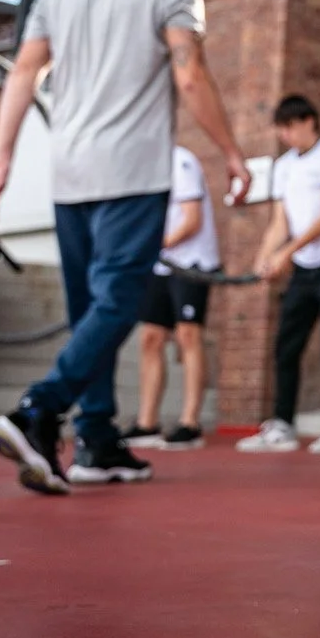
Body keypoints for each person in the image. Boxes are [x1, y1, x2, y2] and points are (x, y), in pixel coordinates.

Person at [0, 0, 248, 493]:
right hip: (132, 171)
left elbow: (24, 72)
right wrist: (231, 151)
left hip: (69, 174)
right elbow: (190, 75)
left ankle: (97, 441)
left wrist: (2, 153)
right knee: (118, 304)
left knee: (89, 312)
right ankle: (39, 412)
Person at [236, 94, 320, 455]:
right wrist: (266, 256)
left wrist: (286, 253)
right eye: (281, 129)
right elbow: (281, 221)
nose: (287, 135)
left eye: (291, 126)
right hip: (305, 267)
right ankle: (282, 424)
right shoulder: (284, 166)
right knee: (285, 345)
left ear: (310, 121)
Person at [123, 144, 220, 451]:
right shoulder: (137, 165)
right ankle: (146, 423)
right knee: (150, 337)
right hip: (158, 264)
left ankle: (190, 423)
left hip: (191, 262)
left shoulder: (180, 161)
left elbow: (192, 220)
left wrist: (157, 244)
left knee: (188, 335)